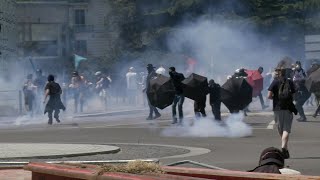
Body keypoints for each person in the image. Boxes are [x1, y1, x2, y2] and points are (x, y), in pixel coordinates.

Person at [268, 68, 297, 159]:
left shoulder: (275, 81)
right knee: (286, 129)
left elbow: (269, 96)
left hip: (277, 108)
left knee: (280, 129)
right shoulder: (290, 82)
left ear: (279, 73)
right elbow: (294, 95)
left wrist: (276, 99)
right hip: (288, 108)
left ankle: (284, 146)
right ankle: (284, 147)